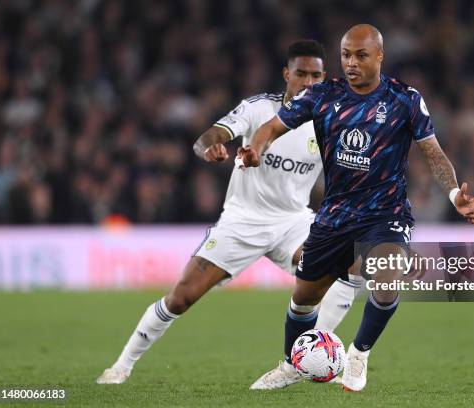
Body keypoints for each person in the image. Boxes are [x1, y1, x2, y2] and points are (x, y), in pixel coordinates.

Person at [96, 40, 363, 385]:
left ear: (325, 78)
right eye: (300, 73)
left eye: (315, 75)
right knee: (181, 297)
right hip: (242, 222)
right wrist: (211, 148)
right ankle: (122, 366)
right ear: (287, 74)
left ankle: (299, 360)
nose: (308, 82)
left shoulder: (330, 120)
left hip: (294, 223)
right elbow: (207, 137)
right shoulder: (257, 109)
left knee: (352, 263)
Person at [241, 24, 474, 392]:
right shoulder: (322, 95)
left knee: (387, 277)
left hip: (386, 215)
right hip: (335, 216)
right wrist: (255, 149)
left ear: (380, 56)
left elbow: (434, 154)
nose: (351, 63)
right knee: (303, 301)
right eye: (345, 55)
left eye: (361, 55)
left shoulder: (404, 99)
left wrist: (455, 195)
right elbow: (272, 127)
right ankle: (293, 364)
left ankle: (359, 353)